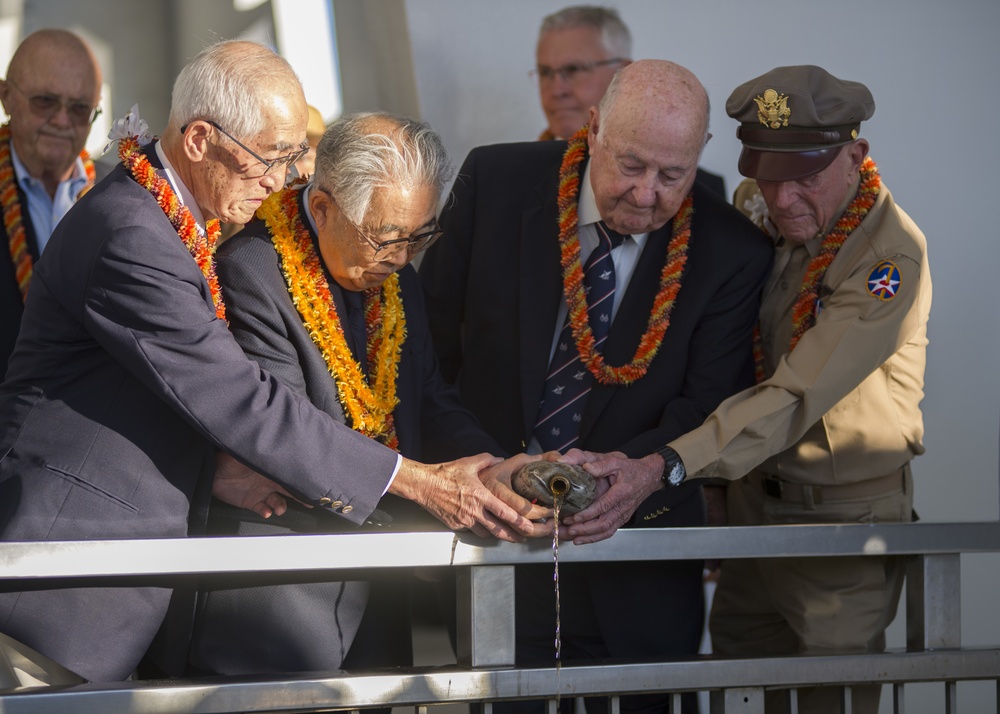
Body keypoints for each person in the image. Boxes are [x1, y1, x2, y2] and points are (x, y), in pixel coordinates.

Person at [0, 39, 544, 685]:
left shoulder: (172, 221)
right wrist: (418, 482)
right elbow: (240, 399)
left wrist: (491, 470)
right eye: (272, 157)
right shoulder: (132, 233)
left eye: (294, 158)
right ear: (200, 139)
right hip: (60, 580)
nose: (284, 178)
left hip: (110, 585)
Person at [570, 65, 931, 714]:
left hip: (839, 535)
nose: (784, 200)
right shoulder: (760, 212)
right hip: (750, 518)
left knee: (833, 700)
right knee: (737, 693)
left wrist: (670, 465)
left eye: (806, 179)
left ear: (856, 156)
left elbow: (793, 395)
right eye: (767, 177)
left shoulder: (887, 260)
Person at [419, 59, 773, 714]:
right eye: (631, 166)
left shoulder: (731, 249)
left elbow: (710, 404)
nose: (646, 195)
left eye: (673, 176)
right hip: (495, 544)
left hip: (639, 564)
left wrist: (637, 474)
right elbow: (427, 358)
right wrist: (484, 467)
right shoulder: (497, 184)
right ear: (593, 130)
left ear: (701, 157)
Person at [188, 111, 540, 677]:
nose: (402, 258)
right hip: (280, 597)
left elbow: (426, 396)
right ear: (323, 207)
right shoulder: (251, 270)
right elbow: (295, 438)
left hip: (379, 587)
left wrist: (488, 472)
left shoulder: (393, 273)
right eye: (386, 237)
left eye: (419, 236)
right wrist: (429, 486)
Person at [533, 5, 726, 198]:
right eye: (545, 72)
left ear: (623, 72)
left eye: (574, 69)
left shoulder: (704, 191)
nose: (557, 90)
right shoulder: (514, 175)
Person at [0, 28, 104, 381]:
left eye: (79, 109)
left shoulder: (126, 191)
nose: (62, 120)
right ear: (6, 97)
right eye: (45, 101)